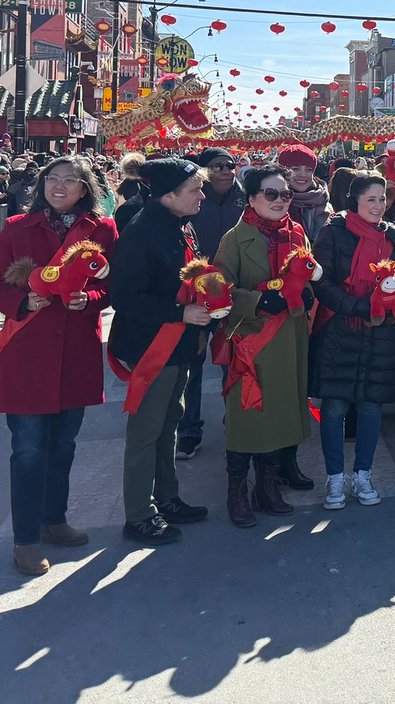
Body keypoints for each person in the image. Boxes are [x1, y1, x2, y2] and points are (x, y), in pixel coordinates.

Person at [0, 156, 119, 576]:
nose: (60, 186)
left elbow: (109, 285)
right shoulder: (16, 227)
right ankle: (25, 540)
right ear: (41, 184)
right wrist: (23, 301)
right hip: (27, 352)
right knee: (27, 450)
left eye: (70, 181)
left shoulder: (103, 230)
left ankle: (54, 519)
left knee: (63, 445)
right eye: (52, 179)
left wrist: (89, 300)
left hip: (75, 349)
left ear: (85, 188)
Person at [108, 159, 212, 545]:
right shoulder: (143, 231)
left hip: (179, 342)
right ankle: (138, 514)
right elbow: (125, 296)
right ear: (168, 195)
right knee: (146, 431)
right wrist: (179, 311)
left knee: (169, 423)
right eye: (194, 190)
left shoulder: (179, 224)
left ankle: (166, 498)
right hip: (151, 345)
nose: (202, 194)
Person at [214, 165, 314, 526]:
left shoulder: (297, 232)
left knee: (280, 411)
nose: (278, 200)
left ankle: (268, 486)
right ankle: (237, 491)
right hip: (251, 340)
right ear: (252, 197)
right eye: (270, 193)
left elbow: (308, 271)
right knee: (248, 417)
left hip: (288, 336)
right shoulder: (234, 238)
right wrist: (254, 301)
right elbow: (217, 287)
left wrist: (306, 290)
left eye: (284, 194)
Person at [311, 171, 395, 509]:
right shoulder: (333, 233)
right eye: (371, 199)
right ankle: (335, 478)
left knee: (371, 407)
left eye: (383, 199)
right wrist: (357, 306)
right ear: (355, 200)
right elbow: (322, 284)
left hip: (381, 333)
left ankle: (363, 474)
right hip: (341, 330)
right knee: (335, 406)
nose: (379, 206)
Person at [173, 147, 247, 462]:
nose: (226, 171)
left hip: (236, 293)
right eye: (218, 166)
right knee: (193, 365)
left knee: (236, 361)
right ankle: (189, 432)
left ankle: (238, 422)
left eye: (231, 165)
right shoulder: (190, 202)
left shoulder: (246, 201)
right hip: (196, 293)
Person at [279, 144, 331, 243]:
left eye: (308, 170)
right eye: (295, 169)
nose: (303, 175)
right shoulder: (272, 201)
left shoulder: (323, 202)